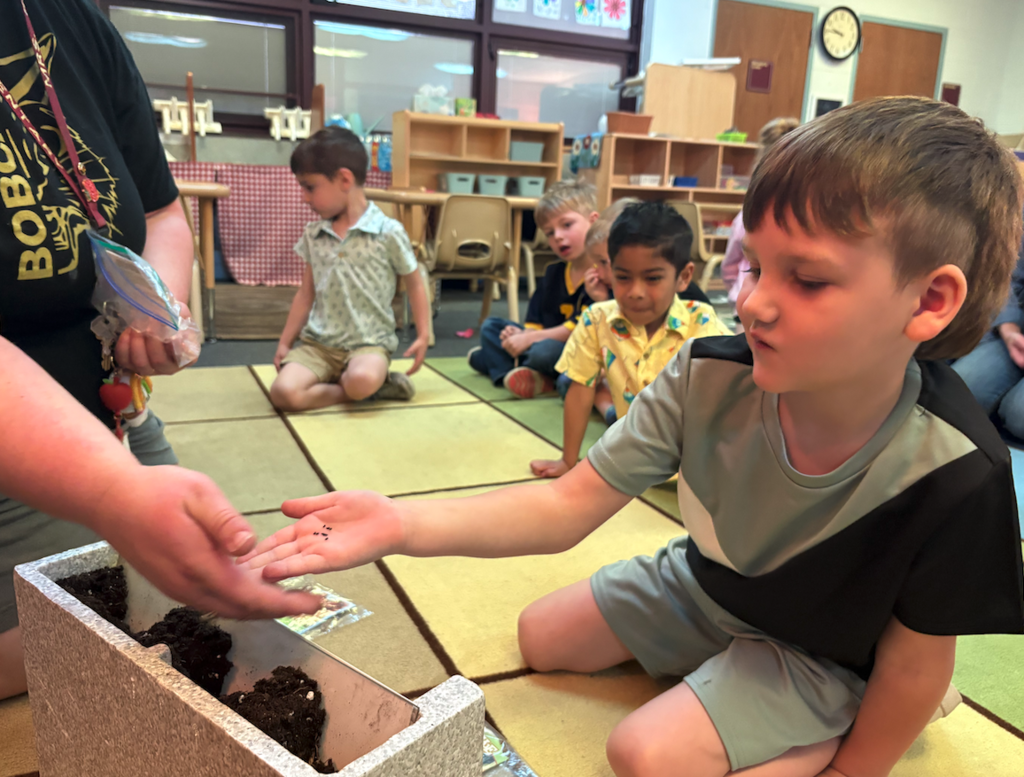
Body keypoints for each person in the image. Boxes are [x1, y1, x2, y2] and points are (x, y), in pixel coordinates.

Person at [243, 98, 1024, 777]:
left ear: (929, 301)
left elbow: (918, 660)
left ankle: (829, 712)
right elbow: (567, 504)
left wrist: (851, 766)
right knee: (540, 636)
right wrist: (402, 523)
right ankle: (725, 672)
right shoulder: (709, 373)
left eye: (808, 279)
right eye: (754, 266)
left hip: (822, 648)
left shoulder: (957, 467)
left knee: (645, 753)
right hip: (706, 586)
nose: (754, 304)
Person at [0, 0, 315, 702]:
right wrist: (111, 488)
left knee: (190, 593)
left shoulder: (73, 23)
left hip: (117, 404)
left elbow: (161, 210)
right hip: (25, 443)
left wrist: (160, 310)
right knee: (77, 645)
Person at [531, 202, 731, 479]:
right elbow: (580, 389)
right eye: (623, 277)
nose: (635, 291)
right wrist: (567, 460)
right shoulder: (596, 319)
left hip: (701, 473)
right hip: (634, 466)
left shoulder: (703, 323)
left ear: (684, 277)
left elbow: (731, 401)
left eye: (652, 278)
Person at [270, 126, 430, 411]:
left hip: (369, 346)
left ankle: (365, 386)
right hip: (319, 345)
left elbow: (416, 283)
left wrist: (423, 334)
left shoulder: (387, 231)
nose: (304, 197)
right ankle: (369, 390)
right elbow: (305, 294)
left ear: (345, 179)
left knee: (361, 379)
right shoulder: (314, 234)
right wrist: (285, 342)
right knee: (283, 393)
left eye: (310, 187)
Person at [468, 180, 599, 398]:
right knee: (491, 327)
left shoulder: (601, 275)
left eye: (567, 225)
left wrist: (529, 339)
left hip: (572, 348)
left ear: (593, 222)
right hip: (540, 340)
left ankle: (503, 365)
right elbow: (536, 318)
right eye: (549, 233)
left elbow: (580, 329)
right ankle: (521, 373)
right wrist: (522, 334)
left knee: (543, 352)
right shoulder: (553, 273)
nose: (557, 236)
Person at [721, 117, 801, 308]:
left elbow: (731, 262)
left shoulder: (750, 214)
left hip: (746, 297)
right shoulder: (806, 217)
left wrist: (735, 288)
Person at [952, 239, 1024, 438]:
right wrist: (1009, 328)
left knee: (1019, 415)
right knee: (961, 391)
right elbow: (1009, 277)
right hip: (1015, 331)